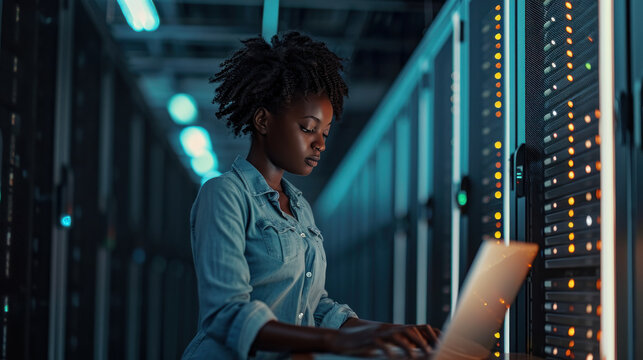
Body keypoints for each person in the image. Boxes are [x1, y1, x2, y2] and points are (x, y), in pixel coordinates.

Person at [181, 31, 438, 360]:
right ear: (263, 120)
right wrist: (331, 343)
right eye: (307, 128)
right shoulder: (224, 195)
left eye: (325, 133)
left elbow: (315, 307)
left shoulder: (300, 208)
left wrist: (394, 331)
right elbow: (227, 314)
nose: (321, 144)